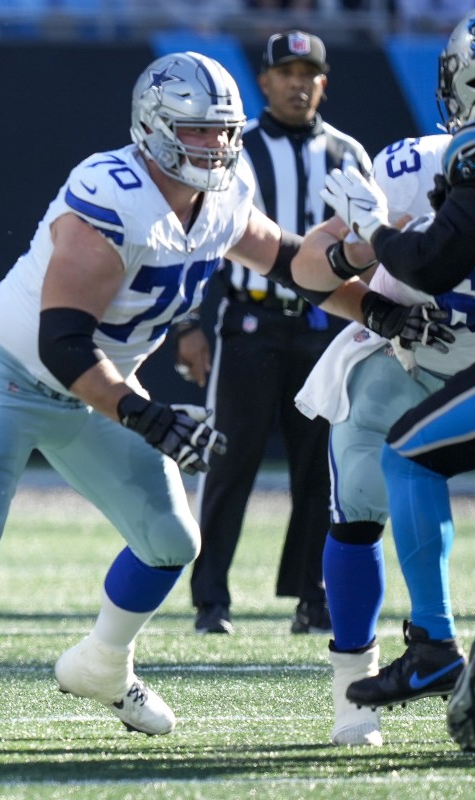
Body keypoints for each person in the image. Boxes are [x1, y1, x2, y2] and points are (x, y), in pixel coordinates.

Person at [0, 51, 448, 746]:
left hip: (95, 386)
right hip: (8, 372)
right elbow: (65, 342)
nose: (216, 146)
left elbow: (292, 264)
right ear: (154, 127)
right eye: (197, 132)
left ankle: (103, 663)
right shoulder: (112, 192)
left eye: (224, 131)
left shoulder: (224, 197)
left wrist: (368, 302)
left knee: (171, 541)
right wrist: (145, 414)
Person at [294, 9, 475, 747]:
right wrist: (369, 292)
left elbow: (428, 258)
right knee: (364, 494)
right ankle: (354, 698)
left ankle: (434, 651)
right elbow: (308, 269)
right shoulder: (418, 164)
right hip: (415, 364)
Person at [178, 31, 372, 636]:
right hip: (250, 327)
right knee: (228, 464)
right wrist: (188, 321)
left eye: (307, 73)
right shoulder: (235, 149)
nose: (296, 83)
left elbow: (374, 242)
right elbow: (198, 229)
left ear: (324, 82)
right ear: (263, 81)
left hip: (324, 330)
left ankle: (313, 596)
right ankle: (211, 598)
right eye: (285, 72)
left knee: (321, 472)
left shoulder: (348, 153)